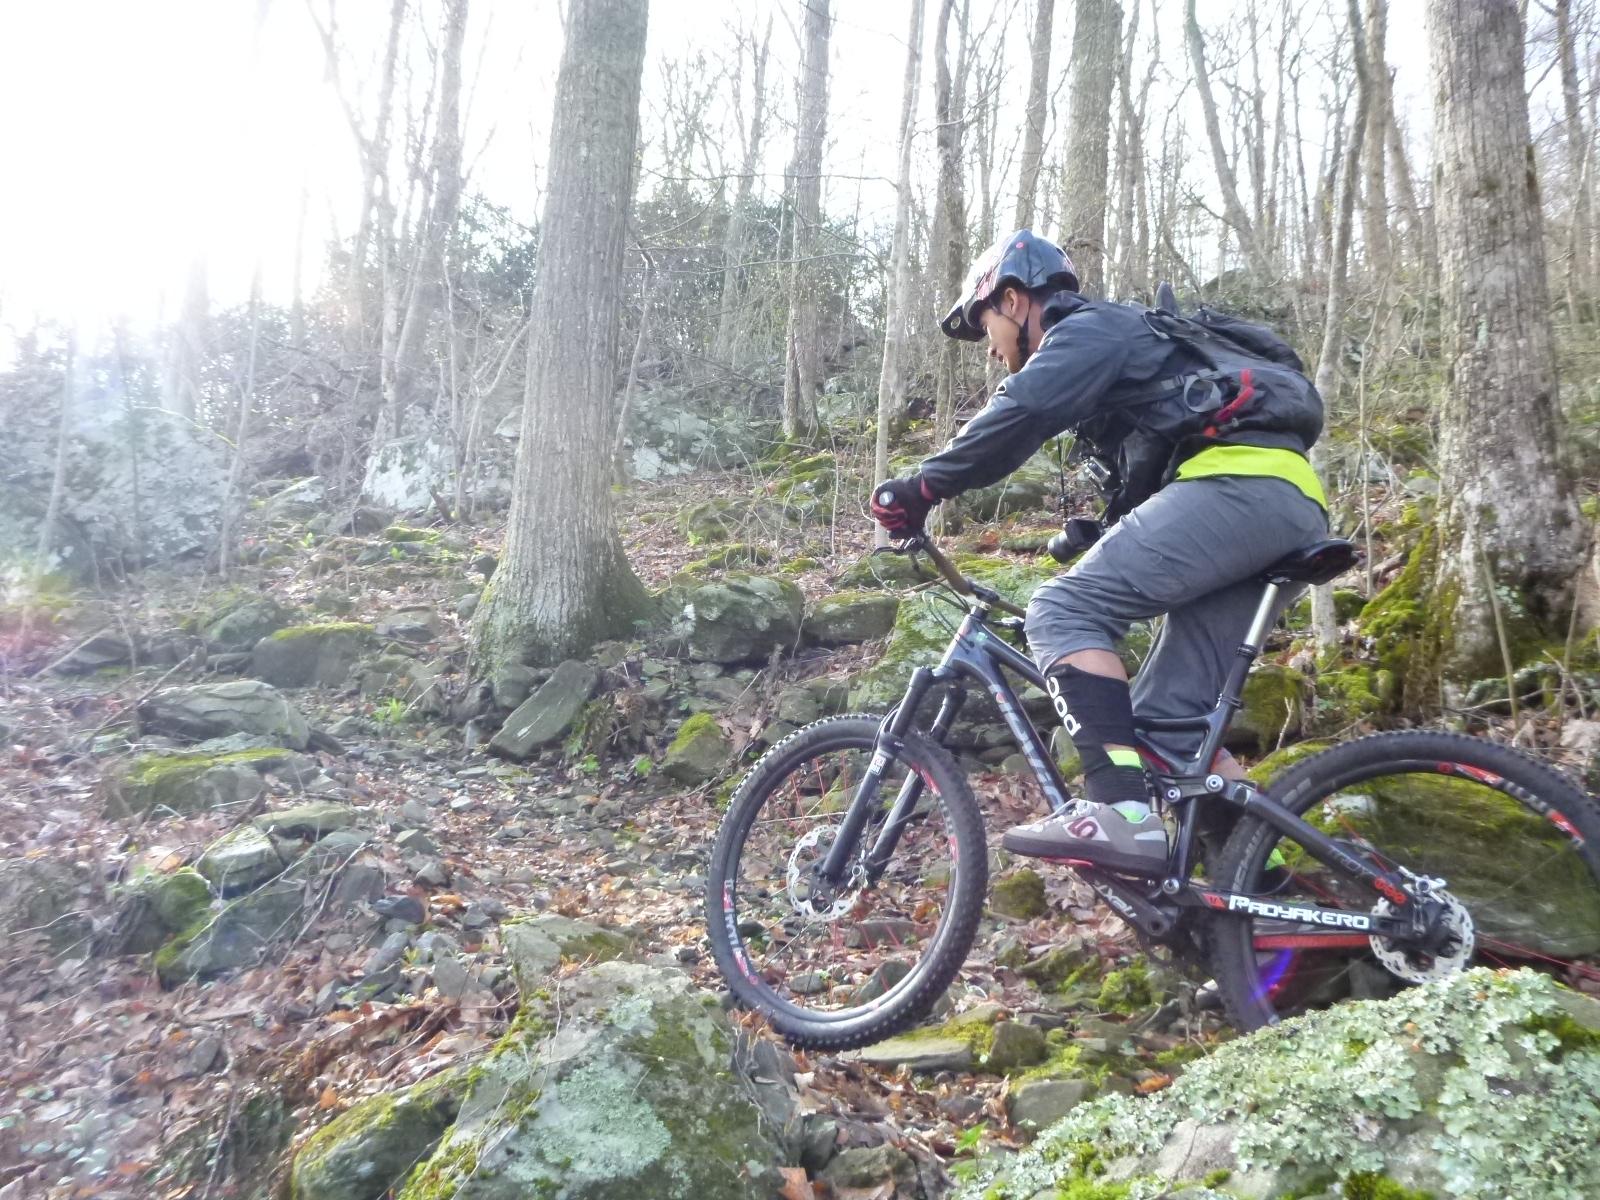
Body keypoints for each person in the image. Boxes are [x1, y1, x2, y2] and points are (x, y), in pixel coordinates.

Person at [871, 230, 1328, 875]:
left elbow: (1022, 411)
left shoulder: (1091, 328)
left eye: (987, 328)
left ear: (1012, 299)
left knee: (1061, 610)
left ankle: (1123, 814)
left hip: (1239, 486)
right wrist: (1103, 531)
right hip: (1282, 503)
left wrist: (921, 486)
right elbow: (1154, 465)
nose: (992, 351)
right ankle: (1268, 892)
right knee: (1171, 725)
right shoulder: (1135, 352)